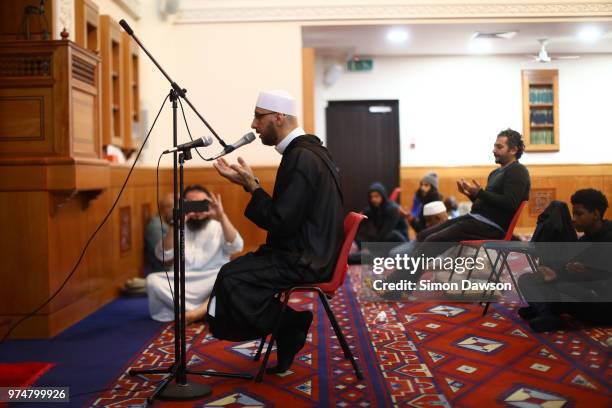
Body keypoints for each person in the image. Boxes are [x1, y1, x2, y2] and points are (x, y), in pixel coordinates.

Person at [207, 90, 344, 374]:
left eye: (259, 117)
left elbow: (281, 222)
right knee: (233, 274)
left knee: (231, 279)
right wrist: (251, 186)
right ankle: (287, 326)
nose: (254, 125)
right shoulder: (310, 152)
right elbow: (289, 216)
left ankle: (289, 326)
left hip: (305, 258)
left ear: (279, 117)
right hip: (308, 251)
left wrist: (253, 188)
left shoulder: (301, 157)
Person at [384, 129, 531, 291]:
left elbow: (510, 203)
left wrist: (480, 193)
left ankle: (395, 286)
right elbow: (486, 206)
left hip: (491, 227)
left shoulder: (518, 171)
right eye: (494, 146)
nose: (494, 150)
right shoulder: (496, 173)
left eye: (499, 147)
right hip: (476, 220)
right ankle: (404, 285)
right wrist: (472, 195)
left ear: (513, 150)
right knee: (424, 235)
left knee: (431, 242)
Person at [518, 189, 612, 332]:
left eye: (579, 214)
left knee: (562, 287)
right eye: (574, 214)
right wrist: (555, 274)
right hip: (582, 291)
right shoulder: (584, 240)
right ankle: (547, 313)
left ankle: (545, 310)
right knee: (527, 279)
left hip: (603, 304)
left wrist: (586, 274)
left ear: (596, 215)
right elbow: (572, 274)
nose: (574, 219)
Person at [146, 184, 243, 324]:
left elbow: (237, 247)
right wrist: (176, 224)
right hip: (184, 282)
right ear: (184, 205)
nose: (197, 212)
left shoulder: (219, 226)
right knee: (152, 281)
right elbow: (163, 255)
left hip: (213, 280)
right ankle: (209, 308)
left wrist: (221, 216)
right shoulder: (179, 227)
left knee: (233, 277)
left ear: (209, 204)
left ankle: (198, 312)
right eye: (192, 205)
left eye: (201, 205)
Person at [144, 193, 174, 274]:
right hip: (160, 273)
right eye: (174, 209)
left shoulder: (166, 224)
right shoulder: (155, 227)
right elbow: (164, 257)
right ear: (166, 208)